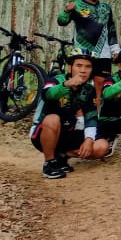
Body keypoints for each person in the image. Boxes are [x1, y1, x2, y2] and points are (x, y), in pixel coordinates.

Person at [29, 47, 98, 179]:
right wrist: (66, 85)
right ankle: (49, 163)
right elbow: (47, 94)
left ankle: (62, 156)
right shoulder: (55, 80)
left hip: (69, 132)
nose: (83, 70)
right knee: (53, 119)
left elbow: (92, 117)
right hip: (44, 132)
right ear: (69, 67)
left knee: (101, 147)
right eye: (79, 65)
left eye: (88, 67)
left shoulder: (89, 90)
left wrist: (89, 140)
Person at [57, 0, 118, 94]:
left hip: (103, 53)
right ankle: (78, 112)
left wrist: (115, 49)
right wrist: (66, 11)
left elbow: (111, 29)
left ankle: (99, 112)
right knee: (79, 84)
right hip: (82, 52)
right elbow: (61, 22)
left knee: (101, 84)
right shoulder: (77, 5)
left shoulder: (106, 8)